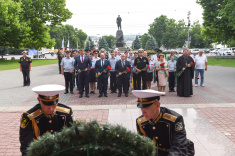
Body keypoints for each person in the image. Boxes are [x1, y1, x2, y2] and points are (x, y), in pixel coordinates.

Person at [133, 89, 195, 156]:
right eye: (141, 108)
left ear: (158, 105)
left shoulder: (174, 119)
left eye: (147, 108)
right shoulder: (140, 122)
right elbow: (142, 146)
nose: (143, 112)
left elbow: (179, 146)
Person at [19, 84, 74, 156]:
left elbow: (73, 137)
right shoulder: (29, 117)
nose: (51, 108)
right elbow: (26, 146)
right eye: (46, 104)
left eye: (53, 104)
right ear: (39, 100)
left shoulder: (66, 112)